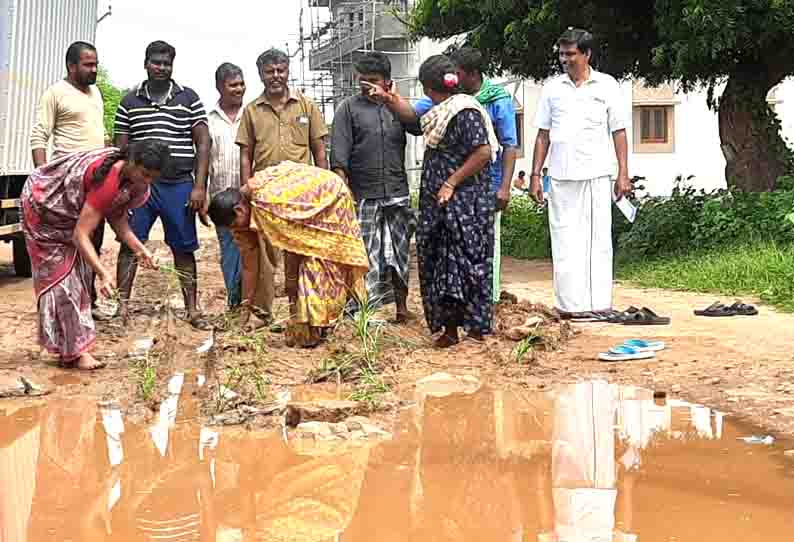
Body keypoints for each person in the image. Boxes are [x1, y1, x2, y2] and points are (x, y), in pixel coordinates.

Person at [371, 55, 500, 347]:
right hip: (439, 204)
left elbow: (482, 153)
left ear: (429, 88)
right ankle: (450, 330)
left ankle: (476, 330)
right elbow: (414, 121)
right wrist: (389, 98)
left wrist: (451, 182)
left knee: (466, 263)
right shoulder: (439, 111)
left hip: (465, 205)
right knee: (440, 264)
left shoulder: (465, 112)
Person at [20, 141, 169, 370]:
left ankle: (71, 350)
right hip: (44, 210)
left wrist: (141, 250)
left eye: (153, 177)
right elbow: (81, 235)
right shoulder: (108, 180)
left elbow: (118, 220)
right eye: (145, 174)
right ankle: (75, 353)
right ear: (131, 163)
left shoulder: (132, 181)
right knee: (62, 282)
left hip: (68, 219)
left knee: (76, 279)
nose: (148, 181)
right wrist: (103, 273)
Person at [207, 162, 368, 348]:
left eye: (234, 225)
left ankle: (325, 326)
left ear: (239, 210)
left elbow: (294, 245)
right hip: (313, 205)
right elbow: (249, 264)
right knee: (307, 274)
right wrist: (246, 307)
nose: (235, 231)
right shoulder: (242, 215)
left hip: (331, 198)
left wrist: (291, 285)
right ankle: (315, 325)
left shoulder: (269, 201)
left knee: (319, 267)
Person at [530, 28, 630, 320]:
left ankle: (599, 304)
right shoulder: (552, 88)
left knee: (597, 242)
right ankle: (569, 306)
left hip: (597, 174)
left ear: (586, 54)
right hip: (560, 176)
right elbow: (542, 135)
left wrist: (623, 174)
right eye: (561, 54)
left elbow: (619, 131)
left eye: (570, 54)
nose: (565, 59)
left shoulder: (607, 85)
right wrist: (536, 175)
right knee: (564, 240)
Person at [113, 40, 211, 328]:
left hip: (179, 184)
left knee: (183, 248)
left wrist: (199, 186)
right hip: (139, 188)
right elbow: (121, 147)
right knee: (129, 245)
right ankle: (122, 310)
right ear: (146, 63)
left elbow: (204, 142)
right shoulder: (129, 102)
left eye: (167, 63)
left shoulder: (189, 98)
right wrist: (125, 187)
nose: (162, 68)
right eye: (156, 62)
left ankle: (192, 310)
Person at [234, 48, 329, 329]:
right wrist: (245, 190)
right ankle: (263, 315)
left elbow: (319, 150)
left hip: (301, 196)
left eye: (280, 70)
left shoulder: (306, 106)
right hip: (264, 196)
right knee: (264, 256)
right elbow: (245, 154)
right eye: (269, 71)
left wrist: (323, 188)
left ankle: (298, 311)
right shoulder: (252, 110)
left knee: (298, 254)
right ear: (261, 74)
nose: (276, 76)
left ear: (287, 70)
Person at [415, 47, 518, 304]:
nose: (454, 79)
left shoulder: (489, 102)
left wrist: (504, 187)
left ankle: (486, 304)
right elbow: (413, 116)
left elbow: (504, 146)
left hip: (480, 189)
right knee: (451, 252)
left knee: (478, 251)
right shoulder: (443, 102)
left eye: (458, 74)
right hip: (448, 195)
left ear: (472, 74)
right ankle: (455, 313)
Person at [331, 52, 421, 322]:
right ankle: (361, 311)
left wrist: (391, 100)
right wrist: (343, 190)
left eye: (373, 81)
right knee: (363, 255)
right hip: (363, 195)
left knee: (399, 251)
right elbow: (339, 155)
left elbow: (417, 126)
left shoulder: (398, 107)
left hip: (396, 191)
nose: (367, 86)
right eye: (363, 80)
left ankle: (401, 309)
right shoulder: (348, 108)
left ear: (387, 82)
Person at [29, 41, 107, 315]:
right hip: (68, 182)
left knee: (95, 239)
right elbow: (39, 137)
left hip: (96, 181)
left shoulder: (96, 93)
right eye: (88, 64)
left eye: (95, 64)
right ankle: (70, 303)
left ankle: (90, 298)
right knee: (71, 242)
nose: (94, 69)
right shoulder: (55, 93)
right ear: (71, 66)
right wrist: (43, 180)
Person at [208, 62, 246, 311]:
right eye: (233, 85)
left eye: (242, 84)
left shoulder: (253, 114)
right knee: (229, 252)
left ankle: (252, 304)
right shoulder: (208, 120)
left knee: (253, 252)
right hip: (221, 202)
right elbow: (201, 160)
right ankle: (235, 303)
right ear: (220, 87)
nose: (239, 89)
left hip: (249, 199)